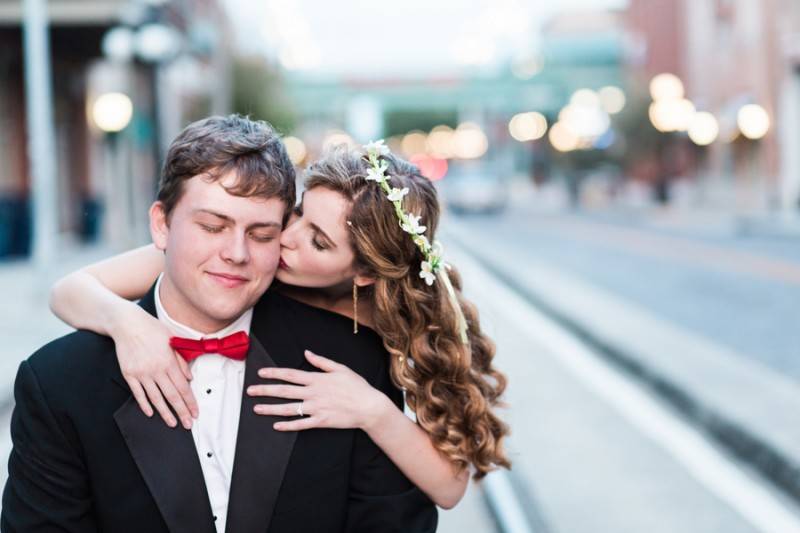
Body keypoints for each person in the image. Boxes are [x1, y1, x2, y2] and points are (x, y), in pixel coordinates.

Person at [1, 115, 437, 533]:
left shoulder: (354, 361)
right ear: (161, 225)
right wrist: (126, 320)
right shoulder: (58, 384)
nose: (236, 253)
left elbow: (403, 515)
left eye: (263, 235)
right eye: (212, 226)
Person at [49, 138, 510, 509]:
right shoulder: (237, 258)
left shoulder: (386, 321)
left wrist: (373, 410)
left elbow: (450, 488)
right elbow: (69, 289)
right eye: (299, 214)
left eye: (319, 242)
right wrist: (131, 326)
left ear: (364, 273)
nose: (284, 239)